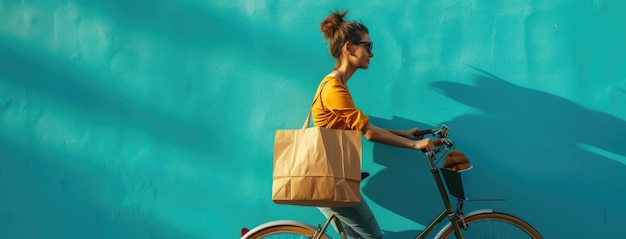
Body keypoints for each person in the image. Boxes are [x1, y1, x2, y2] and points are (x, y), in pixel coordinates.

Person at [313, 9, 435, 239]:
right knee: (373, 237)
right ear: (349, 48)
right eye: (367, 46)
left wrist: (404, 133)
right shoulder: (334, 88)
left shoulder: (336, 85)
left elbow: (360, 126)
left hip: (332, 177)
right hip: (330, 181)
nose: (372, 53)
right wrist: (414, 146)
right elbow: (368, 133)